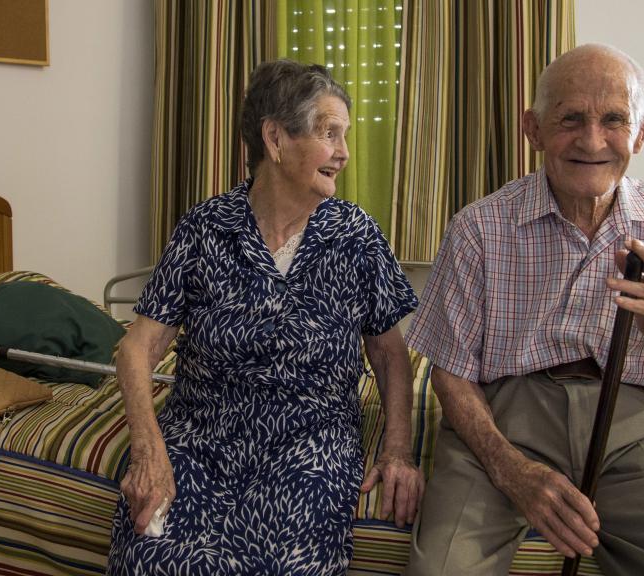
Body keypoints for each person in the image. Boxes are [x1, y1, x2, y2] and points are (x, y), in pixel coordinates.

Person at [404, 44, 644, 575]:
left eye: (614, 120)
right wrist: (512, 471)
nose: (592, 140)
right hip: (506, 416)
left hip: (628, 420)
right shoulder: (479, 229)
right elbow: (451, 377)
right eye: (570, 119)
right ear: (533, 129)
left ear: (642, 133)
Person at [108, 59, 425, 575]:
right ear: (275, 139)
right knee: (150, 550)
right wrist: (148, 448)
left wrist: (397, 449)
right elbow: (136, 347)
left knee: (287, 561)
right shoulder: (206, 228)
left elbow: (389, 353)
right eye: (329, 134)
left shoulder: (355, 234)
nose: (343, 153)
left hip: (311, 438)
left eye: (344, 136)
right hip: (202, 433)